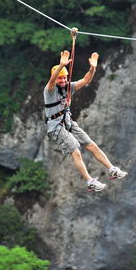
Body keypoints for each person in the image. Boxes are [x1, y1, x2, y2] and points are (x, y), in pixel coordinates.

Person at [44, 50, 127, 192]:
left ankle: (112, 169)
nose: (63, 81)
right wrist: (61, 65)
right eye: (60, 79)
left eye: (65, 78)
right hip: (56, 126)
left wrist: (92, 68)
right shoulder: (49, 90)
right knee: (76, 151)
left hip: (67, 122)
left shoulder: (69, 87)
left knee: (91, 145)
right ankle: (90, 182)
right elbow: (52, 80)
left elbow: (85, 80)